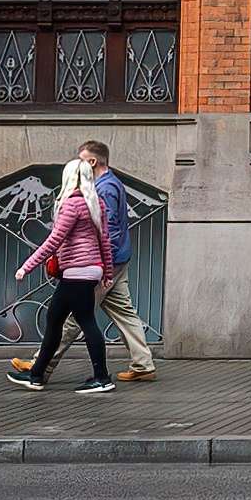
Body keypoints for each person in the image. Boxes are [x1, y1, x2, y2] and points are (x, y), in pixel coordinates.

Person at [11, 156, 118, 394]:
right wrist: (107, 272)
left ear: (68, 178)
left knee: (83, 322)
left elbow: (54, 240)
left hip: (77, 273)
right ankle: (37, 374)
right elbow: (105, 241)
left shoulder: (71, 204)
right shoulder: (96, 203)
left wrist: (26, 267)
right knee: (56, 320)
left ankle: (101, 377)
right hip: (90, 271)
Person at [79, 141, 157, 382]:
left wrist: (104, 265)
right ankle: (143, 365)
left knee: (74, 312)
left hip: (110, 261)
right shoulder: (109, 184)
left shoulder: (105, 188)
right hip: (118, 259)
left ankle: (41, 364)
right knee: (124, 312)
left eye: (81, 159)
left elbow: (109, 228)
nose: (78, 164)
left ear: (92, 162)